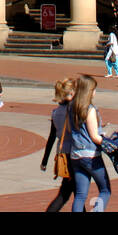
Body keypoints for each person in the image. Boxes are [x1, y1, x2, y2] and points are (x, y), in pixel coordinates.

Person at [68, 74, 118, 213]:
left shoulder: (72, 107)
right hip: (90, 156)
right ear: (88, 91)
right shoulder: (89, 109)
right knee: (105, 190)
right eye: (94, 89)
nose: (95, 92)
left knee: (80, 195)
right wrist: (112, 144)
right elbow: (95, 137)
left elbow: (72, 129)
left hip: (75, 155)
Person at [41, 78, 77, 212]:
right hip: (74, 153)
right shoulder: (74, 110)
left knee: (69, 192)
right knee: (72, 194)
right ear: (72, 92)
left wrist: (44, 161)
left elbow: (51, 138)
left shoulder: (56, 112)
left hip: (62, 153)